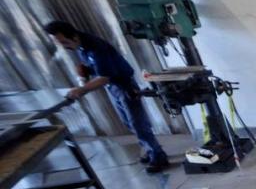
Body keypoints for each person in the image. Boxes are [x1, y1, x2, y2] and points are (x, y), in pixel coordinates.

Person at [44, 20, 170, 173]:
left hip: (124, 86)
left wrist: (82, 90)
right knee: (129, 123)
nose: (64, 46)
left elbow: (104, 77)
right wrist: (84, 75)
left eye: (64, 42)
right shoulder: (80, 46)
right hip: (114, 88)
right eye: (59, 43)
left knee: (138, 123)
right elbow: (93, 68)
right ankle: (152, 150)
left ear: (74, 36)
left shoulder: (96, 46)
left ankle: (159, 156)